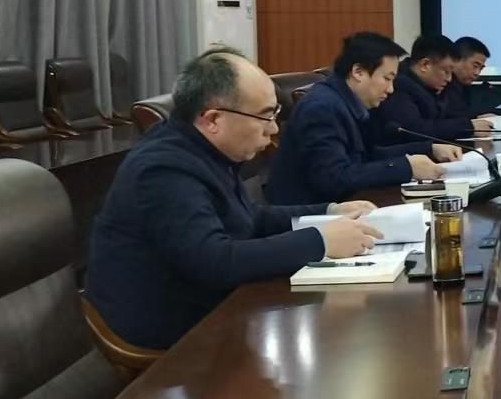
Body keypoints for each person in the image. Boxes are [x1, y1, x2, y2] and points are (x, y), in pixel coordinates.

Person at [85, 49, 384, 350]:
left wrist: (330, 211)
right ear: (213, 119)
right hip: (177, 332)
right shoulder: (163, 169)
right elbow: (214, 261)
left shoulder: (203, 149)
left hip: (213, 304)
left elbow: (249, 216)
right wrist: (319, 241)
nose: (274, 129)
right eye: (265, 115)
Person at [267, 32, 451, 203]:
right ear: (358, 72)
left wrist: (429, 149)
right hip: (309, 214)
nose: (390, 89)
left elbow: (366, 157)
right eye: (387, 79)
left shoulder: (345, 102)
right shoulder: (322, 108)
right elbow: (333, 178)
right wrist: (406, 168)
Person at [373, 33, 486, 146]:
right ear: (425, 65)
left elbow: (449, 116)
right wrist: (467, 126)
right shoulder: (399, 86)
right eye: (446, 71)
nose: (449, 79)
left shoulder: (428, 85)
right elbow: (415, 130)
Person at [444, 36, 501, 118]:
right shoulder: (443, 84)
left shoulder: (463, 87)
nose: (477, 73)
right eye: (475, 66)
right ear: (457, 59)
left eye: (481, 68)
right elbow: (455, 114)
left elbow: (469, 110)